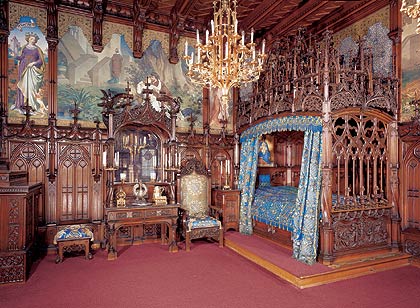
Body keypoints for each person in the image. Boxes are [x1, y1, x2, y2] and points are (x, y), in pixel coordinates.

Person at [12, 32, 46, 114]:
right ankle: (20, 105)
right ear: (28, 39)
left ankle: (31, 106)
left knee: (31, 88)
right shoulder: (24, 48)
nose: (32, 40)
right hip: (23, 68)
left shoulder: (37, 49)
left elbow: (41, 61)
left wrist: (33, 63)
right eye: (31, 38)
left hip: (31, 70)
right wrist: (15, 56)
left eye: (34, 39)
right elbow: (21, 57)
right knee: (22, 86)